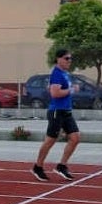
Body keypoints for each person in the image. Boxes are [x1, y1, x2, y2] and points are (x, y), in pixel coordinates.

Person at [32, 48, 80, 181]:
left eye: (70, 58)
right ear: (59, 59)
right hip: (56, 112)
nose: (69, 61)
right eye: (67, 58)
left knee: (75, 138)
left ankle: (61, 166)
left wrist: (70, 90)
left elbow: (53, 89)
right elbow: (55, 93)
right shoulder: (56, 73)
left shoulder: (65, 74)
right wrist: (71, 90)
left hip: (66, 111)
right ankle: (38, 167)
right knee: (50, 140)